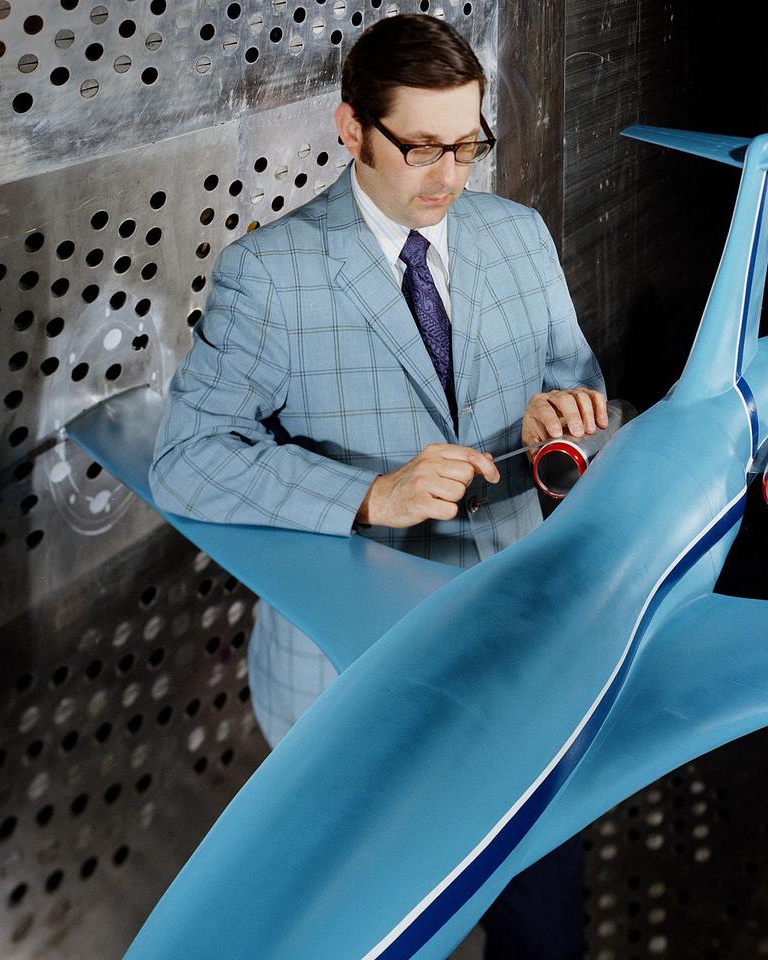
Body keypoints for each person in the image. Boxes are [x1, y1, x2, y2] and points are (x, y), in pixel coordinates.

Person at [150, 14, 602, 958]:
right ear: (351, 129)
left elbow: (579, 377)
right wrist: (367, 499)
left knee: (545, 933)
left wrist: (562, 413)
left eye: (469, 143)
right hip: (351, 695)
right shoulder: (269, 275)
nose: (449, 175)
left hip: (518, 669)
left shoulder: (520, 235)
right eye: (421, 147)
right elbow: (187, 457)